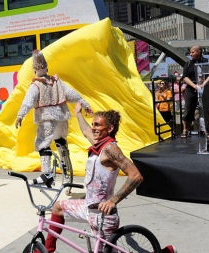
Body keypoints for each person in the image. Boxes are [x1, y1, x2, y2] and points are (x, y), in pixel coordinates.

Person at [45, 102, 143, 253]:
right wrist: (78, 113)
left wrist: (113, 201)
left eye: (97, 125)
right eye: (93, 124)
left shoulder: (110, 149)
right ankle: (46, 251)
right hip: (88, 208)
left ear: (110, 129)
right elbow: (85, 131)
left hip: (103, 217)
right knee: (58, 207)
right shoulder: (100, 144)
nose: (93, 128)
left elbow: (136, 175)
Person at [15, 50, 92, 186]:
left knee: (43, 143)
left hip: (47, 118)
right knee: (60, 140)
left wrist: (20, 115)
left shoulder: (36, 85)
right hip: (61, 117)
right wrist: (85, 104)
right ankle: (66, 169)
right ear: (47, 68)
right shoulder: (57, 82)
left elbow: (28, 102)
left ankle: (47, 174)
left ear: (34, 70)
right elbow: (72, 94)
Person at [181, 45, 209, 138]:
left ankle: (206, 130)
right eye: (190, 52)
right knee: (188, 108)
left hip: (205, 87)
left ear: (199, 52)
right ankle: (185, 130)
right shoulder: (188, 63)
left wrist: (203, 85)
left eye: (193, 52)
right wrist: (194, 85)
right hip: (191, 87)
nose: (191, 54)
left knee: (206, 109)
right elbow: (185, 76)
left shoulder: (207, 62)